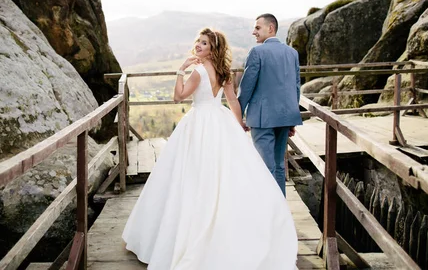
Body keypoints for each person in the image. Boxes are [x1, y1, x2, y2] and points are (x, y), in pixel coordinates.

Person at [122, 28, 297, 269]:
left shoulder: (199, 71)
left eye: (204, 43)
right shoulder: (224, 72)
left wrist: (180, 70)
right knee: (222, 174)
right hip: (220, 120)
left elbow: (178, 97)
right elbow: (233, 100)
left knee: (192, 175)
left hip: (199, 123)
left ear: (212, 48)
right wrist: (240, 124)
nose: (198, 46)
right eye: (198, 42)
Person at [237, 14, 302, 196]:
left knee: (265, 167)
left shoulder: (257, 52)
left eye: (258, 28)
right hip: (285, 117)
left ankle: (270, 214)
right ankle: (280, 210)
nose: (254, 32)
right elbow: (295, 87)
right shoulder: (292, 53)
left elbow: (246, 87)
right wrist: (291, 120)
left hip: (262, 118)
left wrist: (238, 114)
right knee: (279, 165)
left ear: (270, 28)